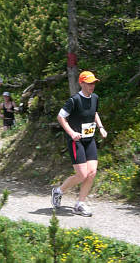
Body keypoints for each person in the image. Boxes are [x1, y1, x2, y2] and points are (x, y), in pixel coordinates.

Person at [51, 71, 108, 217]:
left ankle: (80, 204)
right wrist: (71, 133)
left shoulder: (95, 98)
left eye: (93, 83)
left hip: (89, 140)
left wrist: (101, 127)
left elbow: (94, 113)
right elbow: (61, 117)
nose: (92, 86)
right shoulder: (74, 100)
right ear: (81, 83)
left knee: (92, 173)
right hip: (76, 141)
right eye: (89, 83)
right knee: (82, 175)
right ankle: (59, 191)